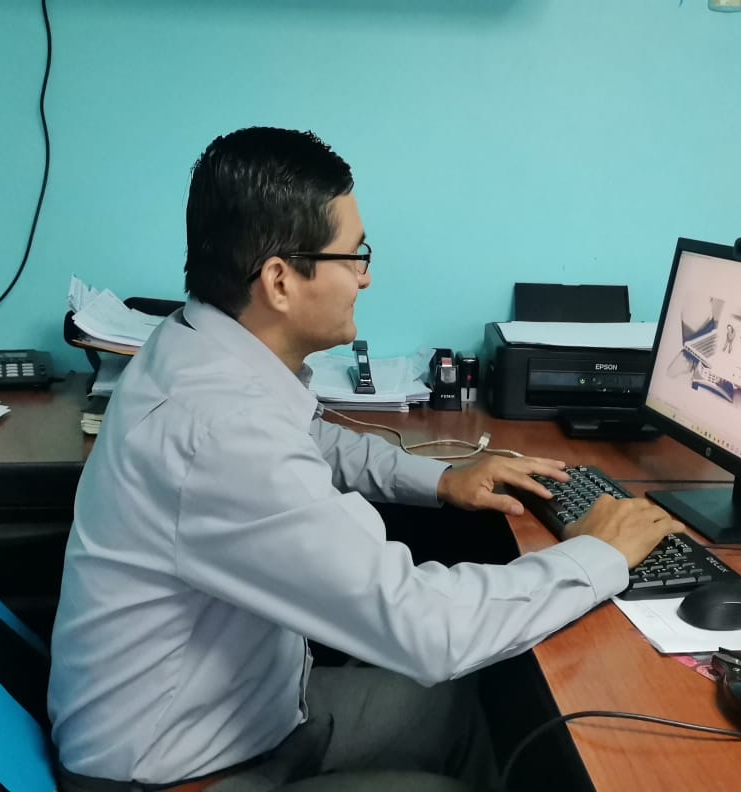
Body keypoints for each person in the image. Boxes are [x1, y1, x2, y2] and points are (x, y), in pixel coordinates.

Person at [48, 127, 681, 792]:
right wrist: (599, 555)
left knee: (459, 713)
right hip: (174, 775)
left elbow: (312, 441)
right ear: (280, 281)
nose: (366, 276)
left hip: (247, 712)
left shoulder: (195, 342)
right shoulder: (222, 430)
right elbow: (427, 629)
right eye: (354, 255)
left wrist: (443, 479)